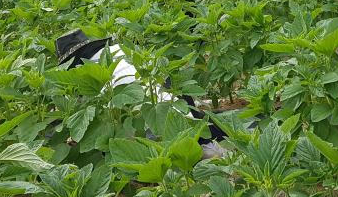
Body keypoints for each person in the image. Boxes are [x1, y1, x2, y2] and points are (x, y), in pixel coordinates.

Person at [55, 28, 227, 158]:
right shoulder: (120, 50)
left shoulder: (86, 72)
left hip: (160, 133)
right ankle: (204, 142)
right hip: (185, 112)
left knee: (130, 143)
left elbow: (86, 127)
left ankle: (196, 151)